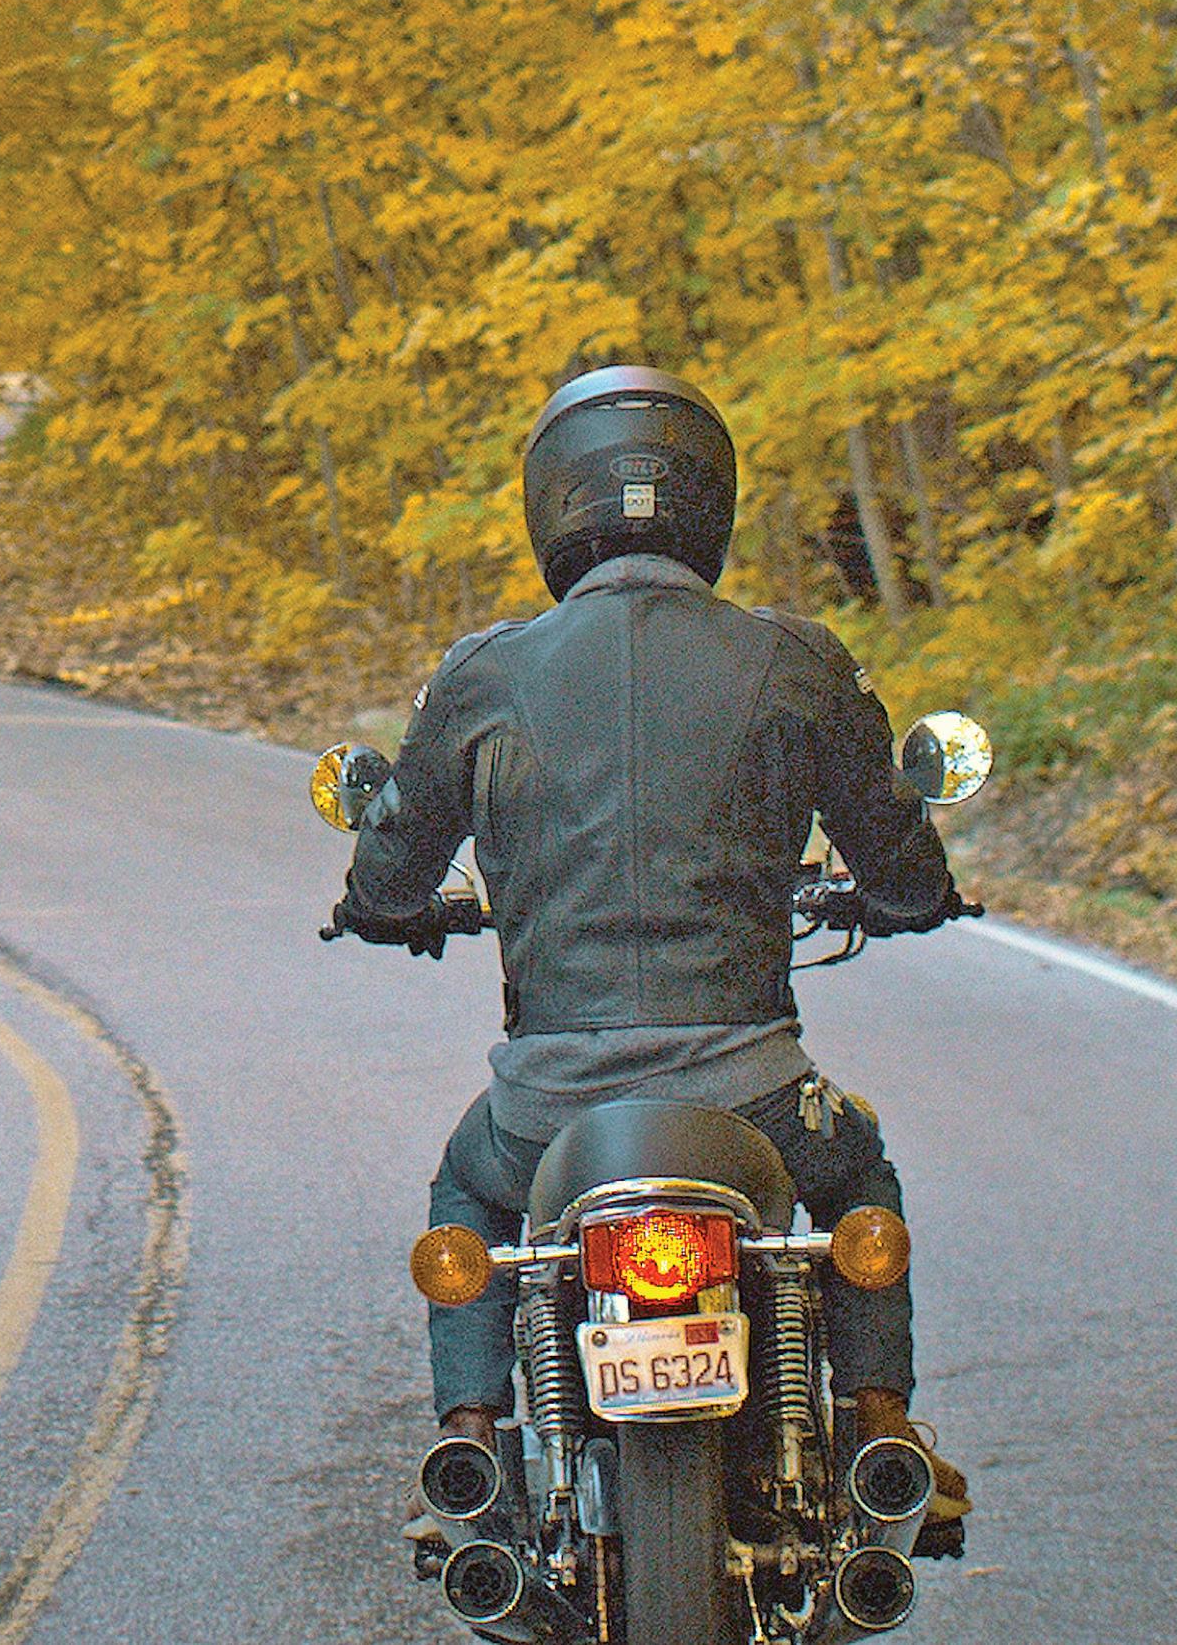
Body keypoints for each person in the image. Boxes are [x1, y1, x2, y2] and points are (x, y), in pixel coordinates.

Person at [326, 363, 975, 1537]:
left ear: (550, 503)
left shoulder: (484, 671)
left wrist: (387, 909)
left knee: (470, 1185)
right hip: (753, 1092)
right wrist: (911, 897)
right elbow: (897, 855)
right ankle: (883, 1425)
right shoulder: (797, 658)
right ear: (710, 498)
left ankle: (467, 1446)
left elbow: (389, 872)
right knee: (856, 1171)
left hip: (550, 1109)